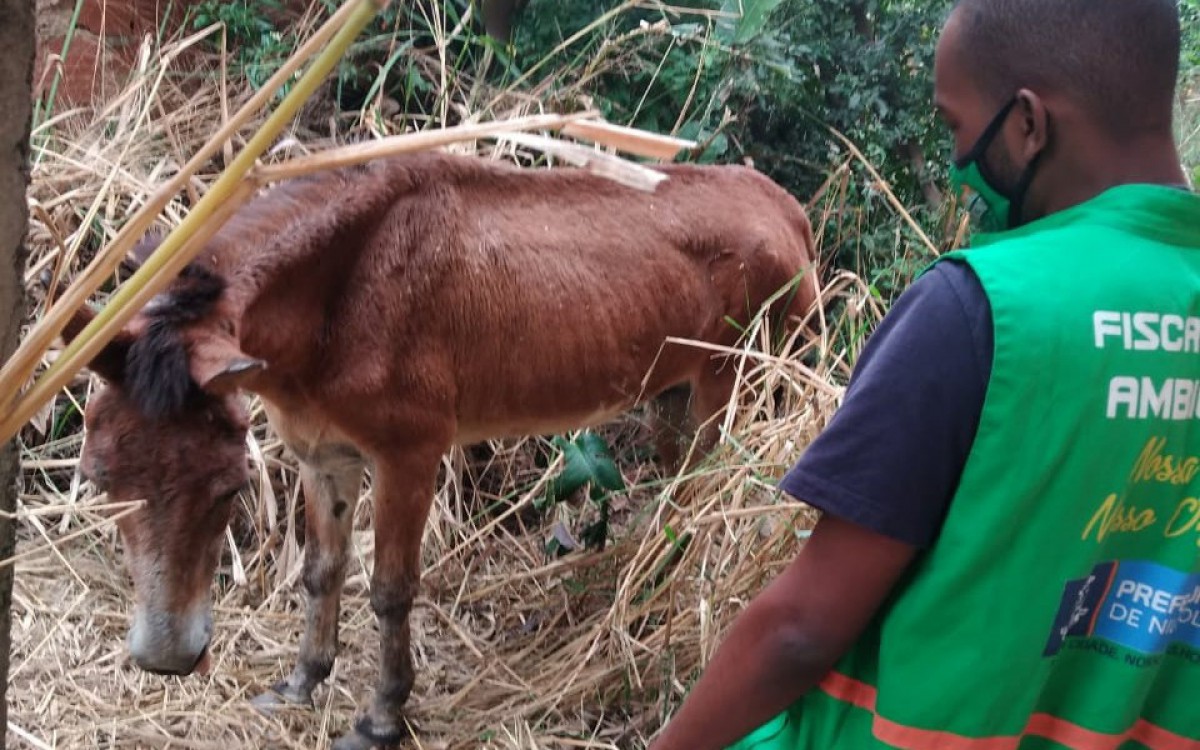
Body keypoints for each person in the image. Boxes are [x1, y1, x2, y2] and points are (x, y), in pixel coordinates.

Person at [649, 0, 1200, 748]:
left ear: (1028, 123)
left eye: (954, 126)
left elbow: (800, 633)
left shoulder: (980, 309)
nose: (956, 160)